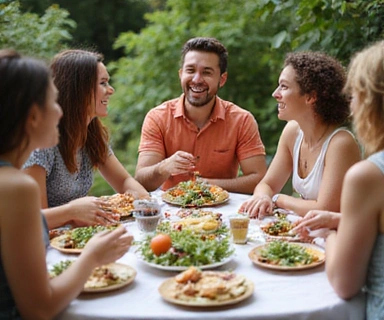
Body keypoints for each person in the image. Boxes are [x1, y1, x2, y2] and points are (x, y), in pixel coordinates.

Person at [0, 49, 133, 319]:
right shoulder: (15, 187)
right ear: (33, 116)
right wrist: (92, 256)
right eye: (53, 101)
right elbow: (39, 309)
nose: (60, 111)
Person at [23, 49, 149, 229]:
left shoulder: (92, 134)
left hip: (79, 238)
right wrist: (72, 211)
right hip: (47, 248)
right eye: (103, 83)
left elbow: (123, 181)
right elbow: (33, 221)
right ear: (79, 89)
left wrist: (145, 204)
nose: (111, 90)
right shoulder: (42, 144)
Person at [134, 37, 267, 194]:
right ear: (181, 74)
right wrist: (164, 167)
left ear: (222, 79)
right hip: (171, 213)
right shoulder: (158, 118)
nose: (197, 80)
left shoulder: (242, 120)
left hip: (223, 212)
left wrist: (207, 185)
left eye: (206, 72)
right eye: (190, 70)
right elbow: (140, 181)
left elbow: (258, 179)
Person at [240, 51, 361, 218]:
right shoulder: (292, 131)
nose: (275, 94)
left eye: (284, 86)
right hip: (307, 230)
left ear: (311, 97)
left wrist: (277, 199)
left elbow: (325, 209)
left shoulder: (341, 143)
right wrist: (262, 197)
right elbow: (267, 184)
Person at [325, 41, 384, 319]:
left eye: (353, 95)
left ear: (370, 99)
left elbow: (344, 284)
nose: (351, 106)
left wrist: (330, 235)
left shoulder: (369, 175)